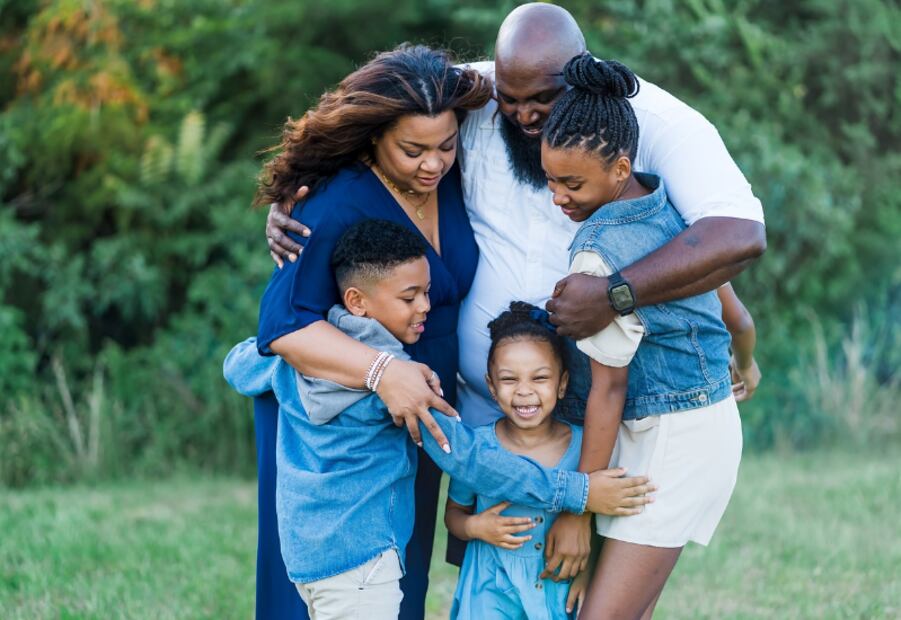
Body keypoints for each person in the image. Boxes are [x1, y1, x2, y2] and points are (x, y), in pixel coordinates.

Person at [264, 3, 766, 579]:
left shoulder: (655, 124)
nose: (525, 114)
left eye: (542, 101)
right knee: (489, 576)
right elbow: (382, 104)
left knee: (564, 581)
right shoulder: (478, 94)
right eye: (511, 99)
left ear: (578, 75)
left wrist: (615, 295)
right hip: (470, 409)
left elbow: (737, 238)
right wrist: (294, 189)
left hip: (575, 410)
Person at [246, 44, 653, 619]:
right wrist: (383, 373)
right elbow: (283, 328)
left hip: (418, 403)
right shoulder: (332, 203)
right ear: (373, 138)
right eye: (412, 150)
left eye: (445, 145)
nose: (433, 164)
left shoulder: (449, 179)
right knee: (335, 575)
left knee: (397, 572)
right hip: (339, 421)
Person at [225, 221, 652, 619]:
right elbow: (467, 458)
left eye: (427, 292)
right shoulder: (399, 384)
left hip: (307, 558)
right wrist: (579, 491)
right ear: (357, 301)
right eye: (409, 297)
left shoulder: (298, 357)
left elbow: (238, 365)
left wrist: (289, 351)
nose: (425, 306)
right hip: (364, 560)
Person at [540, 53, 757, 618]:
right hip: (700, 428)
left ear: (619, 168)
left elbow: (608, 390)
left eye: (572, 183)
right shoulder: (670, 211)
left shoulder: (596, 256)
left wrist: (578, 508)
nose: (558, 197)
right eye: (550, 180)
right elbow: (735, 313)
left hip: (671, 444)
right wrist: (748, 362)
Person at [446, 302, 602, 620]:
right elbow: (454, 514)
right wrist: (475, 526)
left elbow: (600, 522)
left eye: (540, 378)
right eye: (509, 379)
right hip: (490, 588)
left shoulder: (586, 447)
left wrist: (589, 573)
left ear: (562, 384)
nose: (524, 391)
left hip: (559, 587)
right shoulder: (477, 448)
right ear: (491, 386)